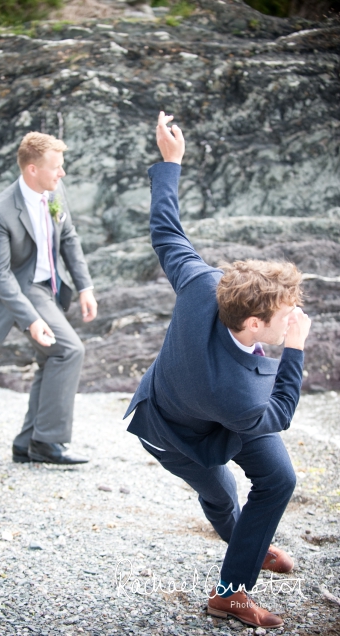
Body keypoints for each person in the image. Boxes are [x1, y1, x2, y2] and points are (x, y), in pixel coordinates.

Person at [125, 112, 312, 629]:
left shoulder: (202, 280)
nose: (293, 319)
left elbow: (166, 230)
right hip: (171, 429)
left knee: (278, 479)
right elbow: (276, 414)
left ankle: (239, 569)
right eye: (283, 318)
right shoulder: (241, 396)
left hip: (219, 409)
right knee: (223, 495)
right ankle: (233, 584)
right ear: (253, 323)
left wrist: (171, 162)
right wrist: (293, 352)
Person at [0, 131, 98, 465]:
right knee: (70, 350)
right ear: (32, 169)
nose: (62, 173)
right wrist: (31, 319)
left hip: (52, 285)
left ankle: (28, 442)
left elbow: (70, 239)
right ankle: (48, 442)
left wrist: (85, 287)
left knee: (52, 359)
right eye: (55, 167)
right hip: (22, 289)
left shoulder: (54, 189)